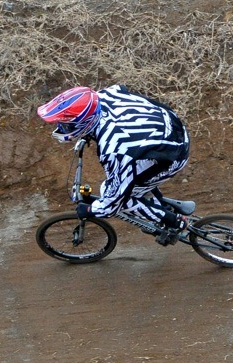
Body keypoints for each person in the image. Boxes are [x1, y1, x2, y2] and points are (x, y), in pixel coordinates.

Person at [38, 85, 190, 245]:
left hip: (174, 154)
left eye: (66, 125)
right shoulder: (105, 95)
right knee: (131, 180)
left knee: (117, 195)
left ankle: (174, 221)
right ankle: (156, 202)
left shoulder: (115, 150)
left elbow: (112, 203)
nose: (62, 128)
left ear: (86, 122)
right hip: (171, 128)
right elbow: (122, 90)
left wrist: (90, 210)